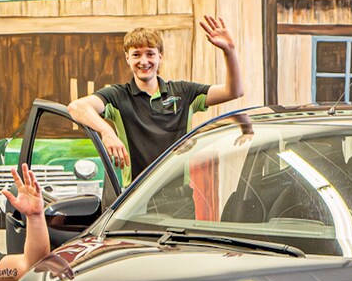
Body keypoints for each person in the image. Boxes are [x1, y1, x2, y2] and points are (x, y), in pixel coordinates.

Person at [68, 16, 243, 181]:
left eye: (150, 54)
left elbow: (233, 91)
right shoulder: (117, 96)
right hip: (136, 195)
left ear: (160, 56)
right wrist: (106, 132)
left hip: (179, 192)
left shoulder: (184, 92)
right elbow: (76, 107)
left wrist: (229, 51)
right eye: (136, 54)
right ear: (127, 58)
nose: (144, 61)